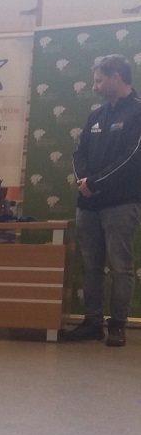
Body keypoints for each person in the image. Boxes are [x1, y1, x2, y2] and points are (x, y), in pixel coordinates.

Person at [61, 54, 141, 347]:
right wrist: (84, 182)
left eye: (99, 80)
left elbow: (132, 158)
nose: (94, 87)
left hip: (121, 203)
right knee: (91, 266)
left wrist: (94, 183)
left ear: (116, 78)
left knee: (120, 266)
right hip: (89, 205)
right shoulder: (96, 115)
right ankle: (92, 324)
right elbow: (78, 153)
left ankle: (117, 325)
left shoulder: (138, 112)